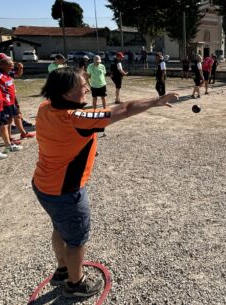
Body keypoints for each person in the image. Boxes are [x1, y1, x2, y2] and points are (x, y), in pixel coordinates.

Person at [33, 67, 178, 298]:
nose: (88, 89)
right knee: (76, 241)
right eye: (83, 86)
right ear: (67, 94)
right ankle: (75, 284)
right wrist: (155, 100)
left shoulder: (44, 108)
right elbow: (124, 108)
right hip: (66, 191)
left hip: (43, 185)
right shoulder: (76, 118)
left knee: (59, 227)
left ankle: (62, 270)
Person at [0, 57, 35, 144]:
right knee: (8, 121)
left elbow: (18, 74)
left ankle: (23, 133)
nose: (12, 68)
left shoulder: (7, 73)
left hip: (12, 100)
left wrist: (20, 68)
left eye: (12, 66)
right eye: (10, 66)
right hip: (5, 102)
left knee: (18, 116)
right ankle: (10, 139)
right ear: (3, 65)